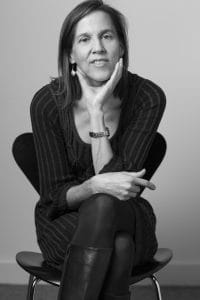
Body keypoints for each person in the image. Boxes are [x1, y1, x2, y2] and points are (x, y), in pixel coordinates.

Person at [30, 0, 166, 299]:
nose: (98, 48)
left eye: (107, 36)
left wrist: (95, 110)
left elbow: (116, 191)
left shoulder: (147, 97)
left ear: (121, 47)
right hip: (63, 223)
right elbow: (54, 196)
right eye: (84, 39)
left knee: (104, 205)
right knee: (118, 247)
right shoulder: (47, 103)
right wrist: (93, 185)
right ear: (71, 55)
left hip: (128, 217)